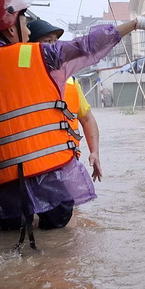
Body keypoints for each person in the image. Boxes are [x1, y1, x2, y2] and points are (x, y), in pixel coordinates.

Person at [0, 0, 145, 245]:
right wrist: (135, 24)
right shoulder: (42, 57)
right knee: (62, 248)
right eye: (24, 22)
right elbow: (87, 45)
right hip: (52, 181)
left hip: (7, 194)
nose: (29, 32)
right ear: (11, 29)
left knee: (9, 247)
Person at [27, 19, 102, 183]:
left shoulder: (71, 81)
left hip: (67, 165)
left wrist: (94, 152)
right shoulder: (21, 80)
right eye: (47, 41)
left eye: (55, 41)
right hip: (32, 170)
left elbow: (87, 118)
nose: (54, 46)